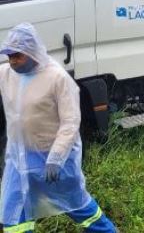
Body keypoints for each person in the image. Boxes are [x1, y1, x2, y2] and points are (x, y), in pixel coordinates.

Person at [0, 23, 117, 232]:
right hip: (19, 158)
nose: (12, 61)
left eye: (17, 56)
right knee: (14, 209)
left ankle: (105, 230)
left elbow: (70, 122)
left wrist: (56, 157)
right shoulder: (7, 74)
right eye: (9, 56)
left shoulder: (57, 78)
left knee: (77, 205)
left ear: (32, 52)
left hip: (53, 159)